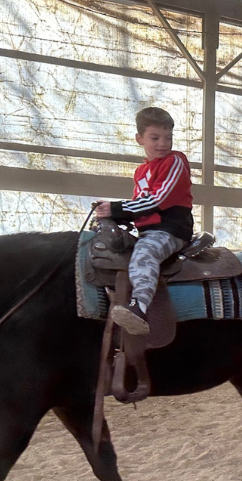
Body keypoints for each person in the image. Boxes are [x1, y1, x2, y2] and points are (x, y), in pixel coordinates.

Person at [94, 107, 193, 336]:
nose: (163, 144)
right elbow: (139, 205)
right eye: (155, 138)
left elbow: (156, 200)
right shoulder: (141, 172)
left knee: (144, 254)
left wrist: (115, 208)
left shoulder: (175, 161)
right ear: (140, 139)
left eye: (168, 138)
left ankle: (139, 307)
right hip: (148, 230)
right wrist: (113, 216)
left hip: (170, 230)